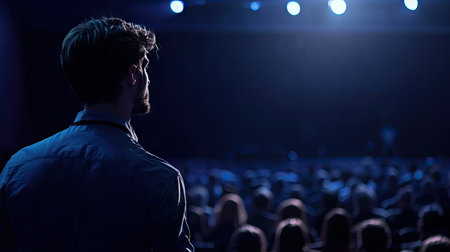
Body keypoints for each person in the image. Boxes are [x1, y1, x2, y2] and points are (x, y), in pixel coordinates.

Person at [0, 17, 194, 251]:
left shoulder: (18, 167)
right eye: (144, 65)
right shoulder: (160, 180)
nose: (148, 77)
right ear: (133, 75)